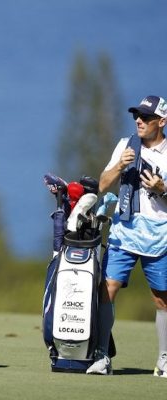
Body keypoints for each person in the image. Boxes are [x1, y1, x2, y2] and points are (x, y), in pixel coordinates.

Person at [86, 95, 167, 377]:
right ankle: (102, 355)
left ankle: (164, 359)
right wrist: (120, 165)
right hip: (124, 229)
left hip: (159, 235)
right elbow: (103, 185)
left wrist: (162, 189)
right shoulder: (126, 145)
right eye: (137, 116)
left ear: (162, 122)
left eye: (146, 118)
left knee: (161, 299)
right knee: (106, 290)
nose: (139, 121)